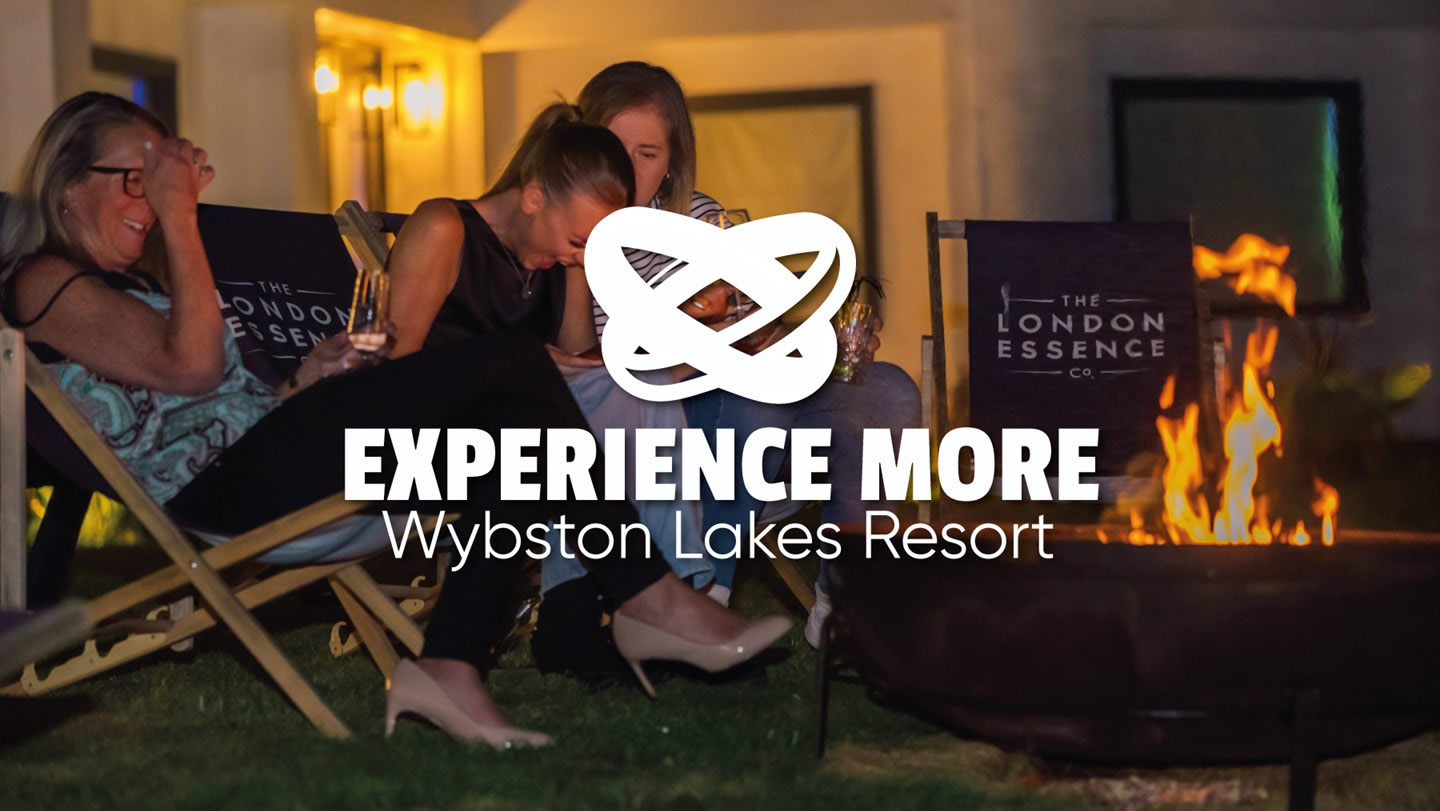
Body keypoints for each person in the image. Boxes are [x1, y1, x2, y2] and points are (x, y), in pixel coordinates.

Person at [0, 92, 788, 745]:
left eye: (157, 181)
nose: (150, 198)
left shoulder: (140, 293)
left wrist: (308, 378)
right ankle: (646, 589)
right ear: (69, 184)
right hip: (224, 493)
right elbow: (193, 369)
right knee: (515, 364)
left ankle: (448, 664)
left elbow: (215, 394)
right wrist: (181, 215)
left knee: (518, 440)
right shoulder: (41, 281)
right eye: (132, 179)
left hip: (271, 452)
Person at [576, 62, 922, 646]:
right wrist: (695, 329)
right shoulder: (572, 230)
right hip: (644, 420)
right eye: (616, 147)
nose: (630, 169)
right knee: (755, 389)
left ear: (673, 161)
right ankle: (707, 591)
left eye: (649, 153)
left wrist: (820, 340)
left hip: (739, 413)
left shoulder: (700, 217)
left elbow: (755, 323)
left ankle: (845, 598)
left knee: (887, 389)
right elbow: (587, 356)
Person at [383, 103, 714, 678]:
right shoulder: (444, 227)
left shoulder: (561, 259)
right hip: (428, 435)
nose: (579, 253)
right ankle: (606, 611)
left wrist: (578, 267)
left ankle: (640, 600)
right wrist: (515, 364)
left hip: (529, 431)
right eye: (577, 238)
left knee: (636, 383)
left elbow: (579, 351)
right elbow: (392, 370)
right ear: (534, 196)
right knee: (562, 428)